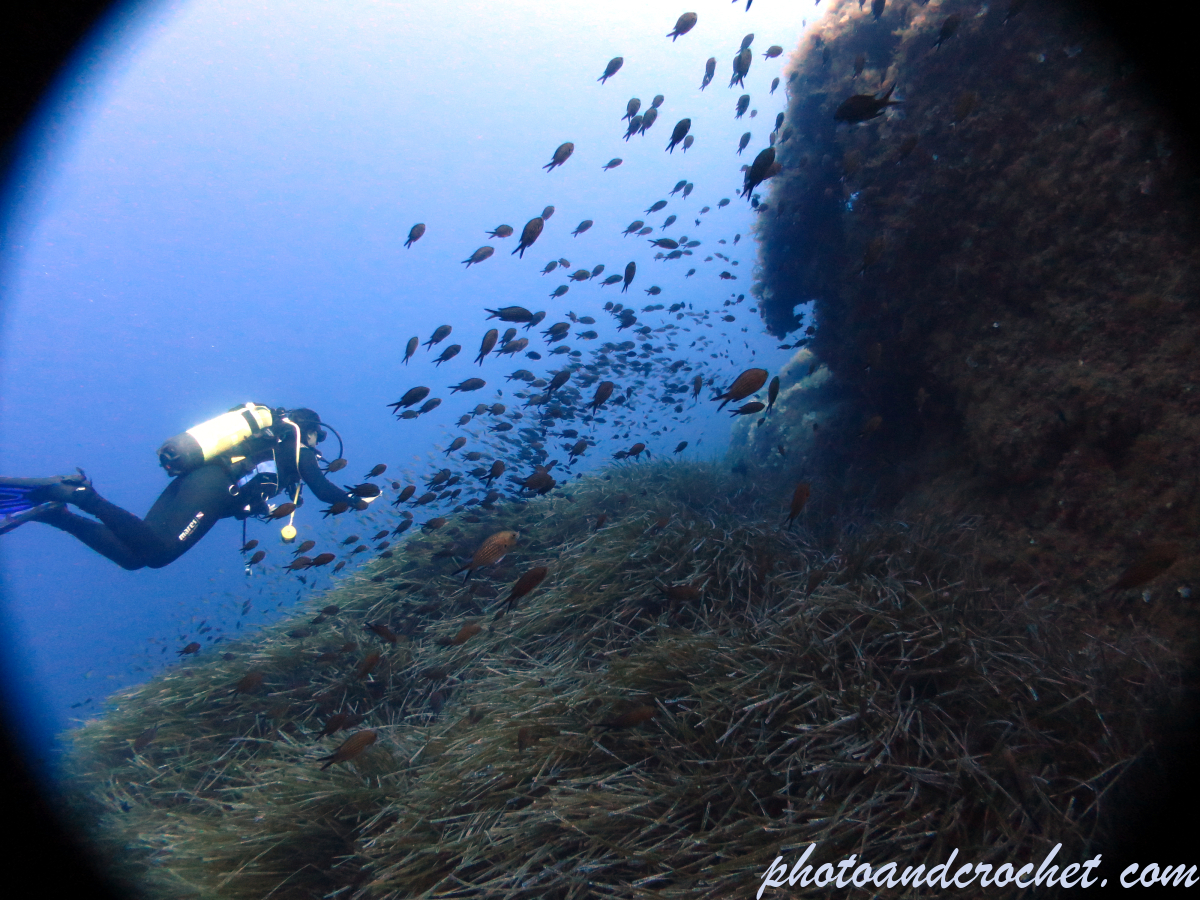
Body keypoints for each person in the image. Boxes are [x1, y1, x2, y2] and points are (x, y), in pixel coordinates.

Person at [0, 406, 367, 569]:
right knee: (158, 554)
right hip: (213, 486)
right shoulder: (296, 444)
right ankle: (80, 495)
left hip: (200, 481)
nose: (318, 447)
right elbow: (321, 489)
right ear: (312, 430)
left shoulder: (269, 445)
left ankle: (57, 514)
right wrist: (356, 499)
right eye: (318, 438)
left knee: (134, 556)